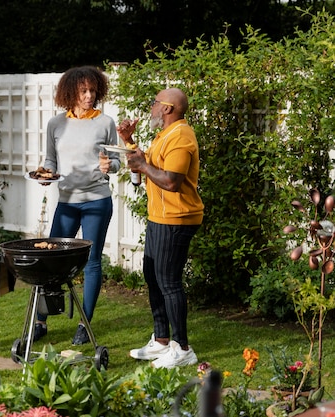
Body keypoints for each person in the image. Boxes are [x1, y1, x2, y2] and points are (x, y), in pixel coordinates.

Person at [34, 66, 129, 345]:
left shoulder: (105, 123)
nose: (89, 96)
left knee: (92, 261)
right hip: (67, 201)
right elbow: (50, 160)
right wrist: (45, 174)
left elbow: (117, 161)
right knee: (51, 259)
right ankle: (41, 321)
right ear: (70, 92)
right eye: (83, 91)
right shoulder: (56, 124)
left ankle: (84, 324)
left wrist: (109, 165)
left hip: (97, 201)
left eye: (92, 91)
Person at [119, 87, 204, 369]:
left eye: (155, 103)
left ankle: (183, 348)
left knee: (169, 281)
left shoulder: (181, 137)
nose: (152, 108)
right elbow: (145, 165)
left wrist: (142, 166)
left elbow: (171, 181)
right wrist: (129, 142)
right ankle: (162, 340)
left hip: (177, 219)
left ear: (168, 109)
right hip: (159, 218)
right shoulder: (164, 135)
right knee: (153, 276)